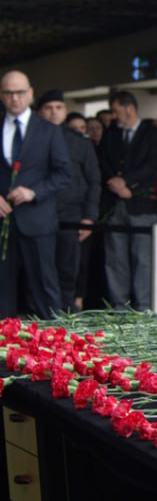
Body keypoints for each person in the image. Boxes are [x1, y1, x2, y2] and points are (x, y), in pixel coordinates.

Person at [0, 70, 71, 318]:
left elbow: (64, 173)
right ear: (1, 95)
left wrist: (33, 192)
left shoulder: (48, 130)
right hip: (3, 222)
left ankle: (54, 346)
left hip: (38, 220)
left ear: (30, 94)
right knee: (2, 291)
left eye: (20, 92)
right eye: (8, 93)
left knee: (45, 290)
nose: (15, 98)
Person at [97, 91, 157, 311]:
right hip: (115, 203)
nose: (115, 117)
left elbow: (154, 165)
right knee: (115, 257)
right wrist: (115, 184)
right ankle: (119, 305)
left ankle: (144, 305)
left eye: (116, 111)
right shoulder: (112, 133)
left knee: (143, 258)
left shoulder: (152, 133)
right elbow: (103, 160)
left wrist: (127, 183)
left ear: (129, 108)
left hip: (141, 205)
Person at [36, 89, 100, 312]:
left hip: (70, 215)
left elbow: (93, 180)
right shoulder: (29, 138)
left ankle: (65, 322)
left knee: (67, 271)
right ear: (39, 112)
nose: (54, 113)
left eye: (59, 108)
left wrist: (89, 217)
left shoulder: (79, 142)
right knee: (38, 271)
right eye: (48, 108)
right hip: (36, 214)